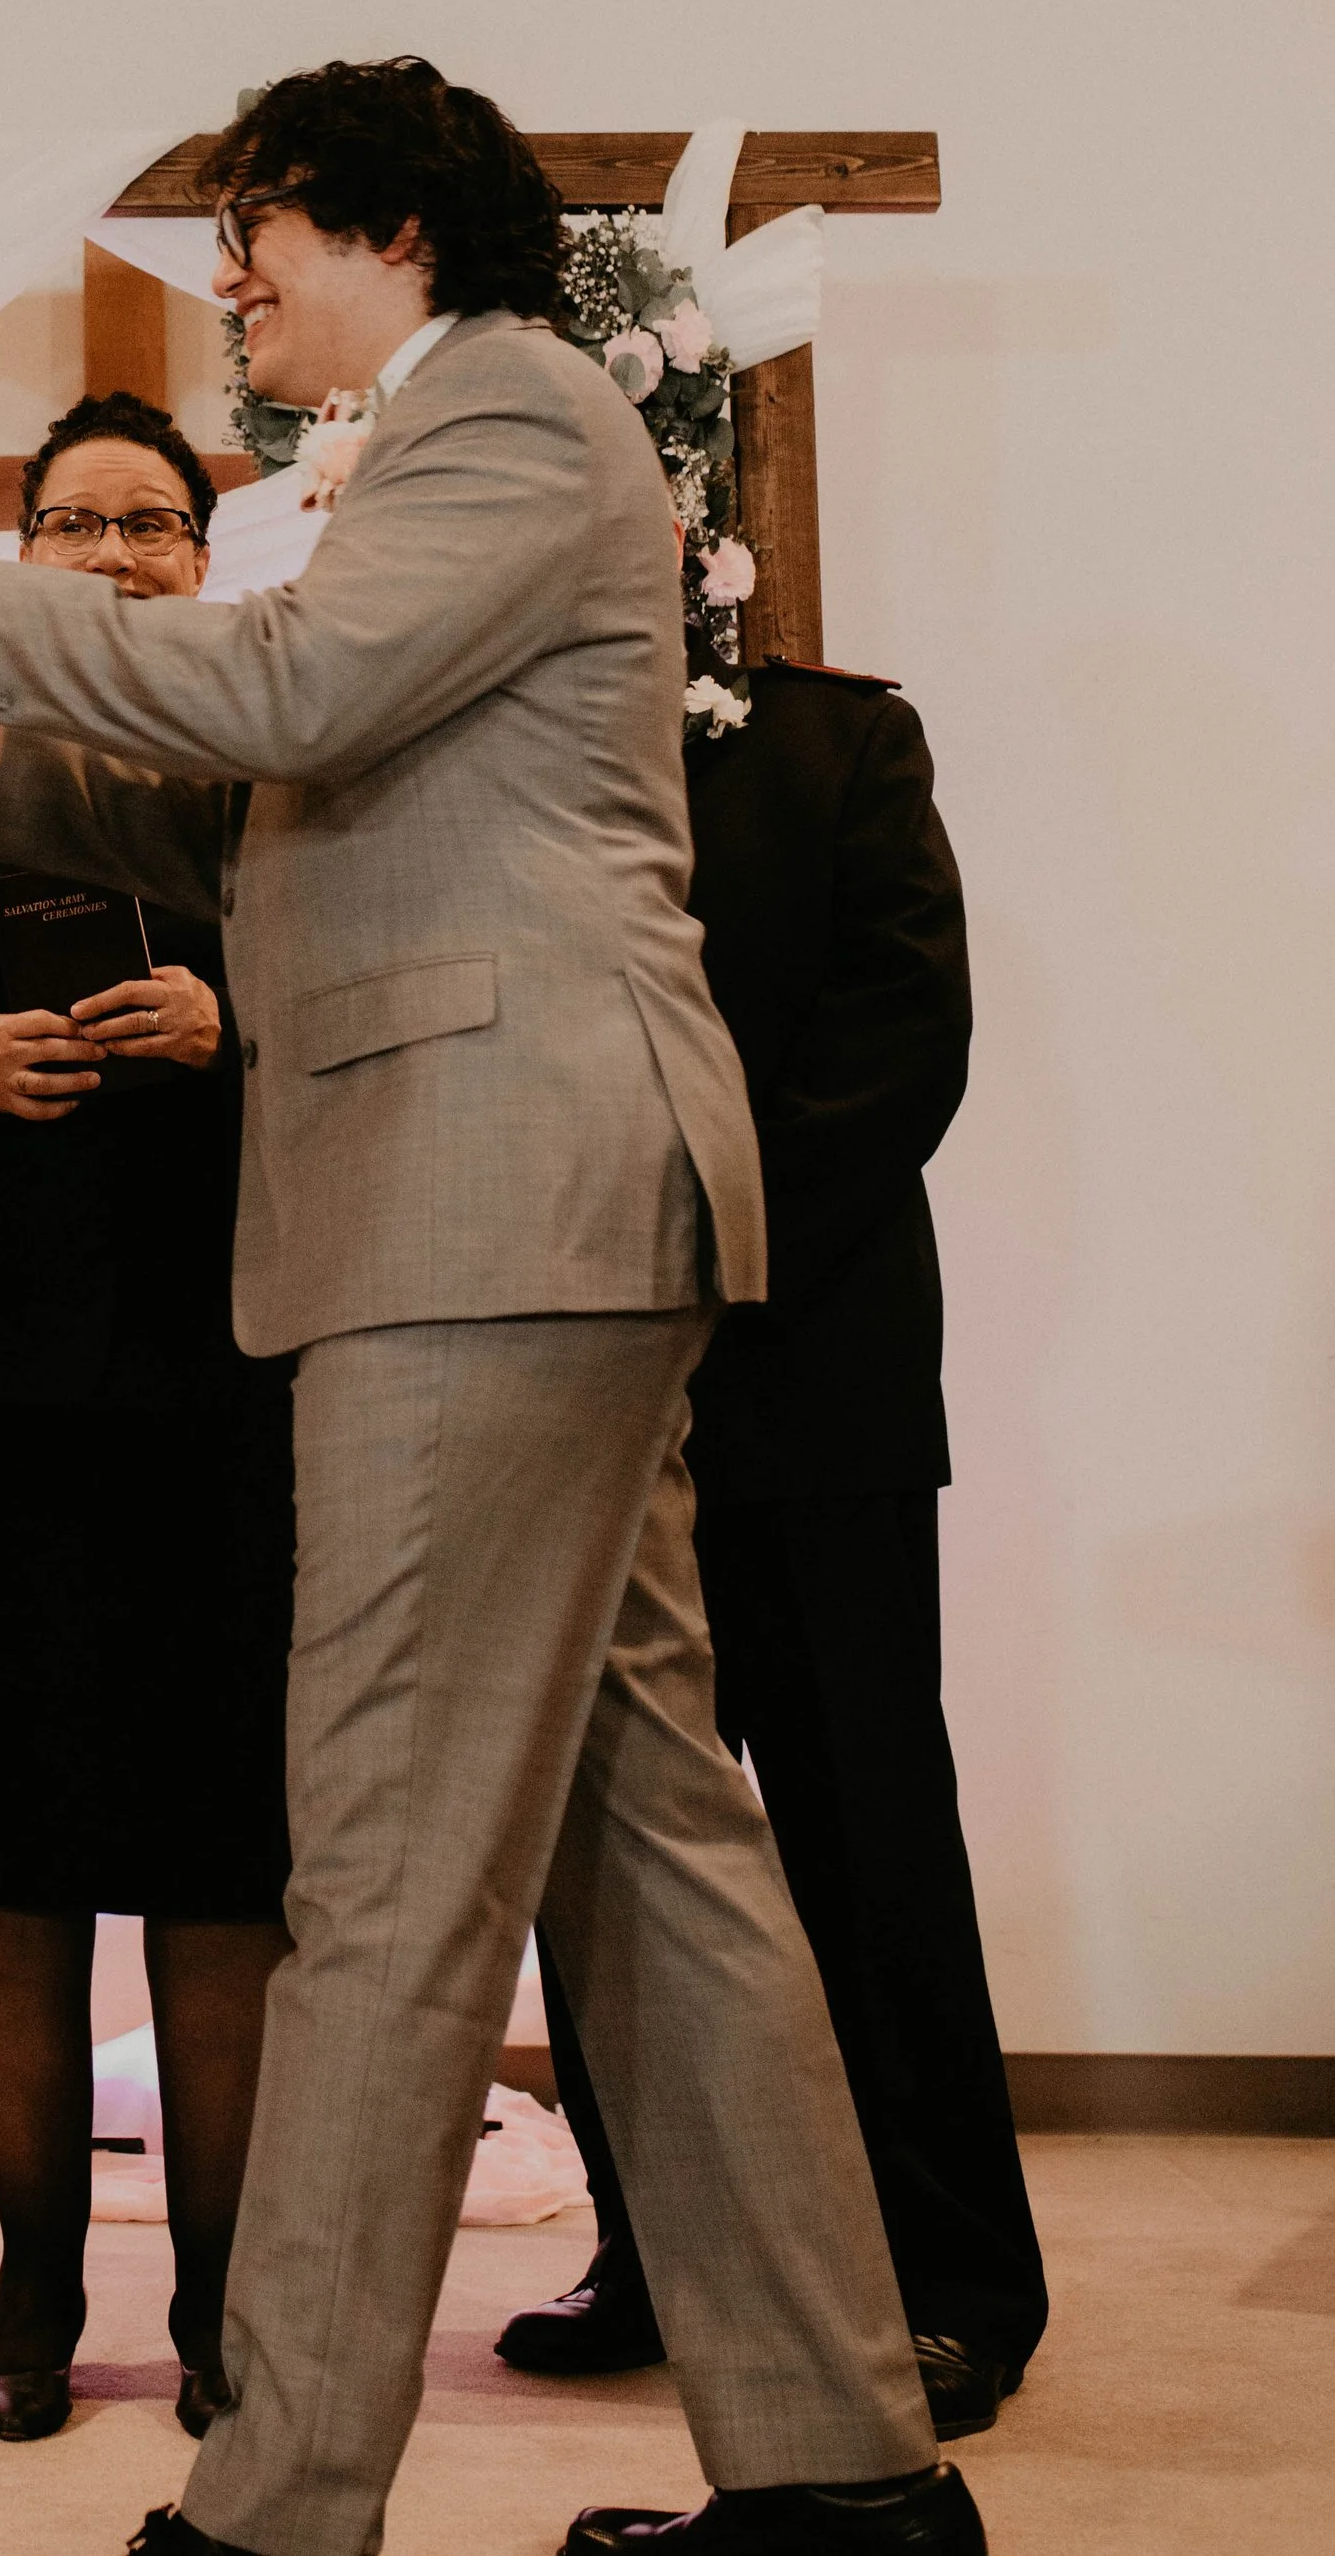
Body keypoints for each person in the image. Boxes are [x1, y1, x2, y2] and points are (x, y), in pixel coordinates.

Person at [0, 57, 983, 2556]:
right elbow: (268, 807)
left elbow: (296, 708)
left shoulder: (512, 410)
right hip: (508, 1205)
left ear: (386, 228)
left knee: (386, 1859)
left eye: (256, 231)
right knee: (643, 1840)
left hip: (489, 1200)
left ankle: (274, 2504)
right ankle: (842, 2476)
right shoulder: (415, 455)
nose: (228, 277)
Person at [0, 390, 295, 2451]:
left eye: (154, 523)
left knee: (222, 1858)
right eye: (72, 521)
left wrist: (234, 1017)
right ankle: (25, 2270)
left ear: (210, 552)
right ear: (9, 551)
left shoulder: (276, 756)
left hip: (230, 1376)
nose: (113, 554)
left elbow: (397, 1007)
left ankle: (220, 2295)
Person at [501, 663, 1047, 2446]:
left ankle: (950, 2285)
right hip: (571, 1374)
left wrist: (704, 1248)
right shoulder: (483, 725)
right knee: (614, 1843)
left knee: (866, 1829)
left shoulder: (842, 739)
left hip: (811, 1372)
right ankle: (650, 2248)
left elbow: (906, 1031)